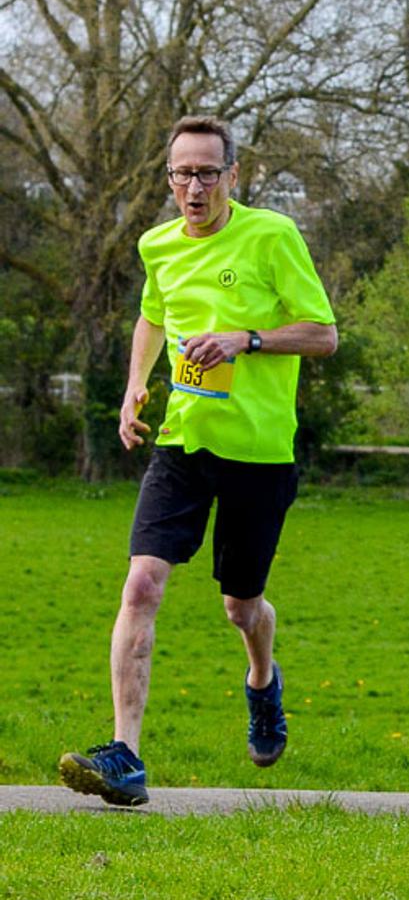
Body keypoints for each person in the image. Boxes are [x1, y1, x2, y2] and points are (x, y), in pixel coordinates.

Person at [59, 115, 338, 807]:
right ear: (169, 178)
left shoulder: (272, 235)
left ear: (233, 176)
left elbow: (324, 335)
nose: (194, 185)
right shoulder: (157, 244)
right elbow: (153, 316)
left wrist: (245, 339)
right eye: (182, 172)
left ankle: (262, 681)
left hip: (259, 452)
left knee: (241, 608)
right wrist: (133, 386)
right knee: (141, 584)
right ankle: (125, 755)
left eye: (208, 172)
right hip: (183, 443)